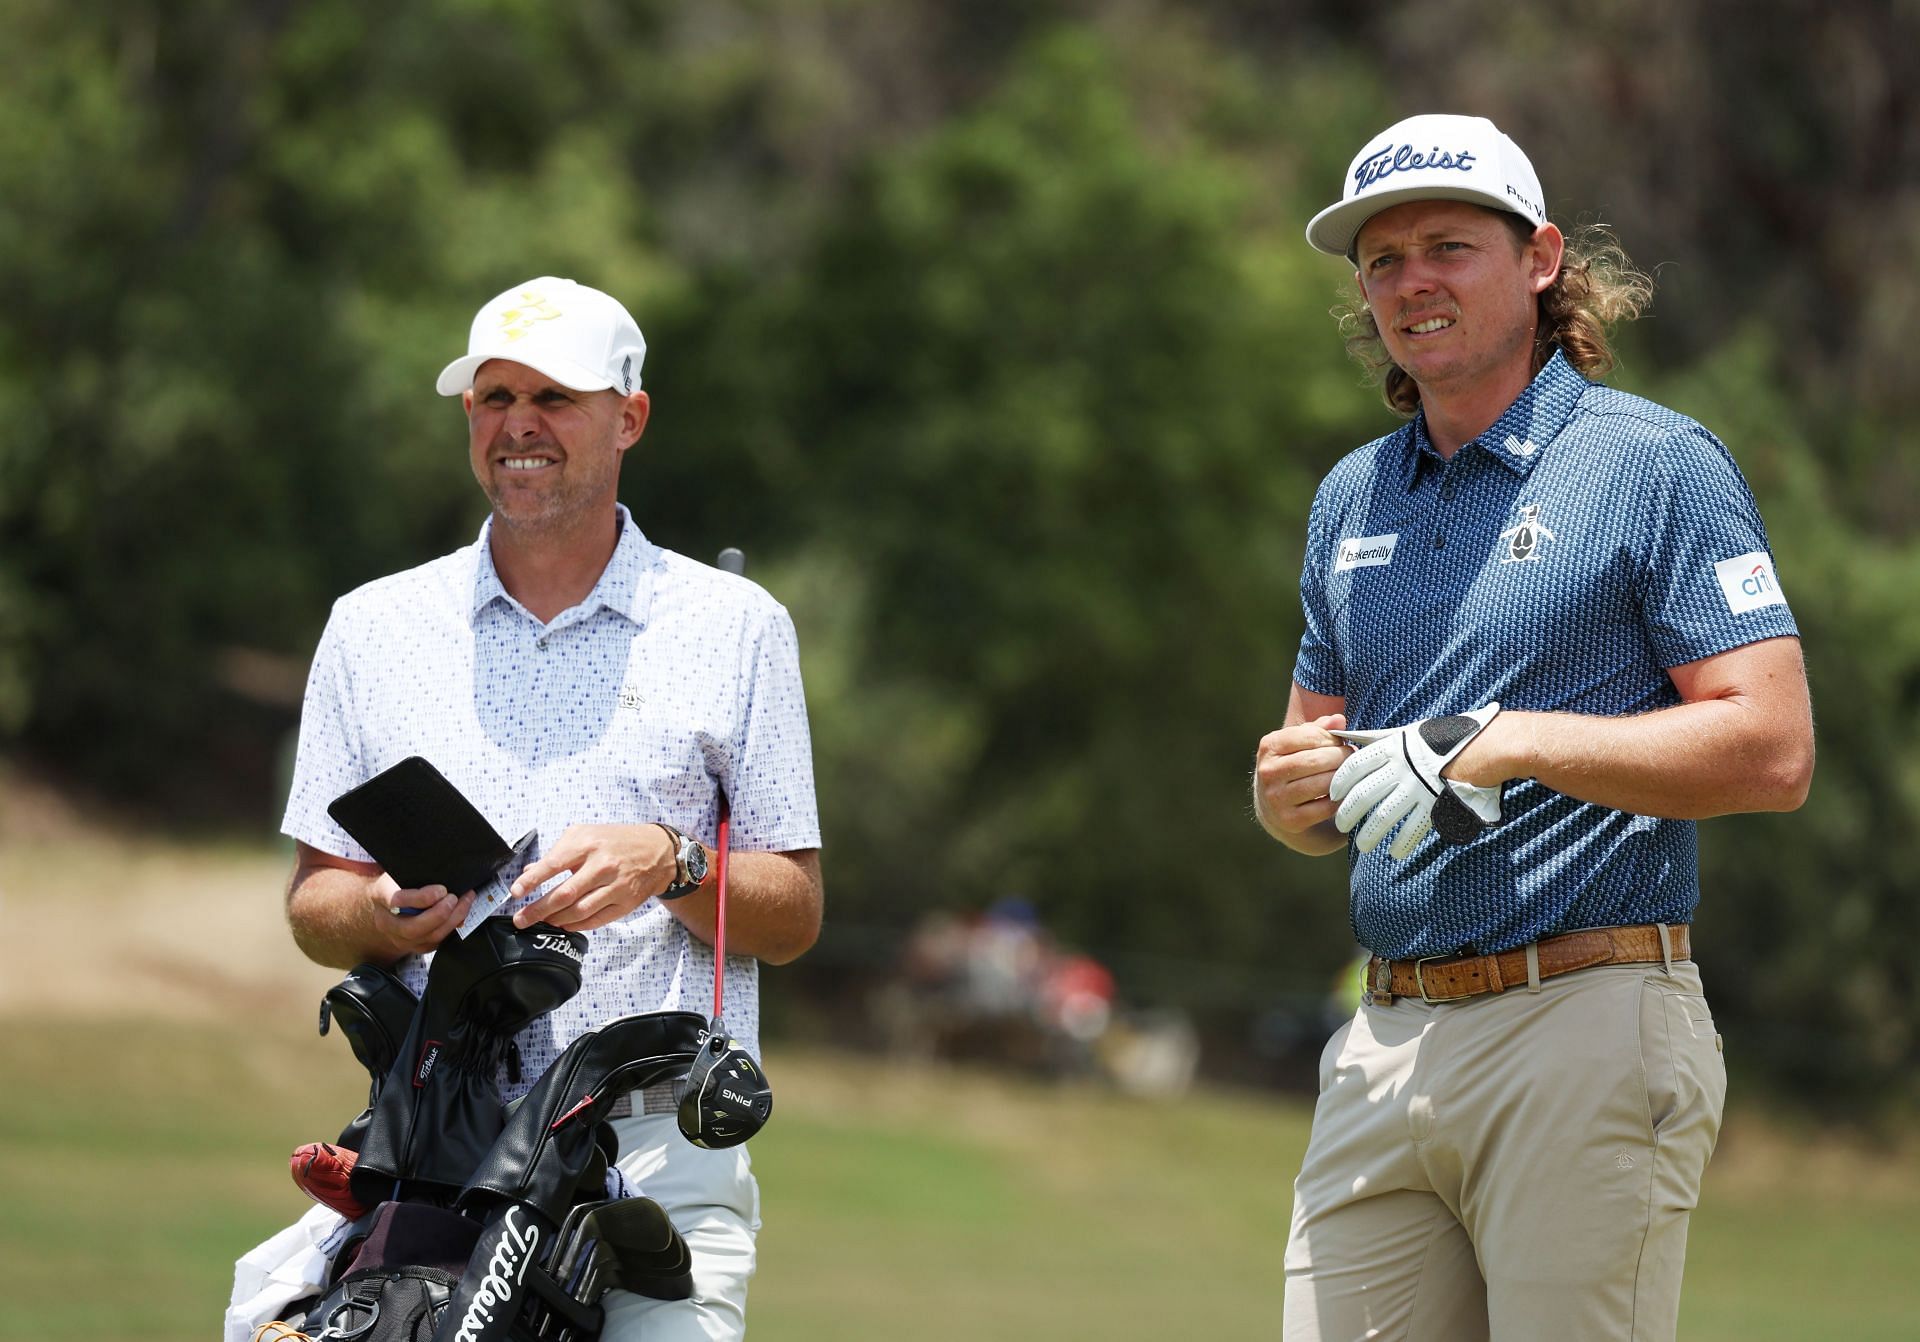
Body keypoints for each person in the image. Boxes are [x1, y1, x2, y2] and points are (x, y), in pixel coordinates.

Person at [1251, 115, 1814, 1341]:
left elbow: (1771, 749)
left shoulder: (1655, 464)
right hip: (1386, 1035)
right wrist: (1288, 794)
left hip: (1588, 1018)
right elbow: (1314, 760)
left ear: (1543, 258)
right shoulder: (1351, 496)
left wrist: (1504, 737)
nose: (1412, 282)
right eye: (1382, 261)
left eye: (1447, 246)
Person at [281, 275, 824, 1341]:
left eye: (554, 398)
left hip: (652, 1156)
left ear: (630, 417)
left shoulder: (738, 628)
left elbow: (793, 913)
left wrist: (675, 863)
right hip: (433, 1148)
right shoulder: (372, 628)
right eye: (493, 397)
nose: (518, 426)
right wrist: (381, 911)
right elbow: (314, 902)